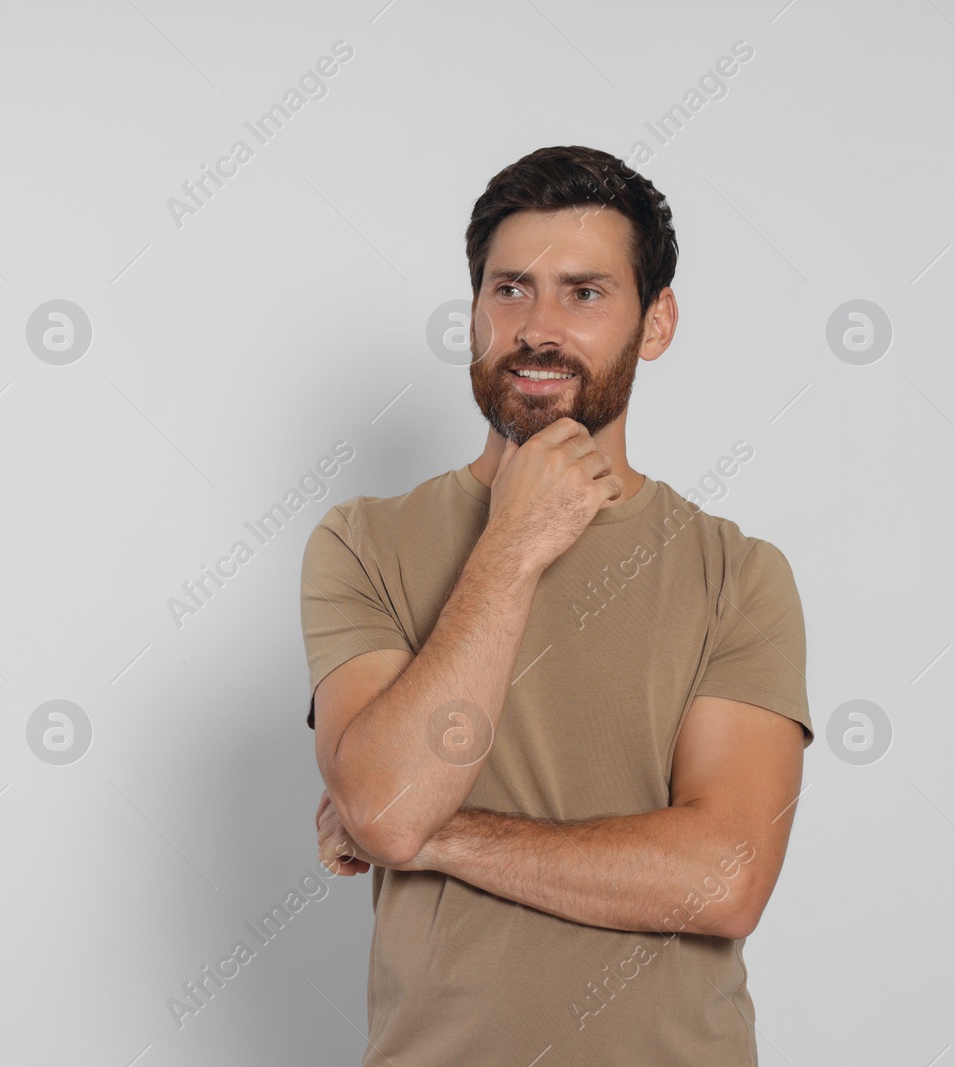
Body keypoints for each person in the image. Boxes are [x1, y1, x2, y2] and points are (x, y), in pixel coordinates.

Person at [298, 144, 811, 1065]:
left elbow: (723, 877)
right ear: (473, 315)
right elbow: (382, 801)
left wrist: (430, 835)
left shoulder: (739, 574)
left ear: (655, 324)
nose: (537, 327)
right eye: (509, 290)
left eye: (584, 293)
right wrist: (513, 544)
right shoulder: (362, 543)